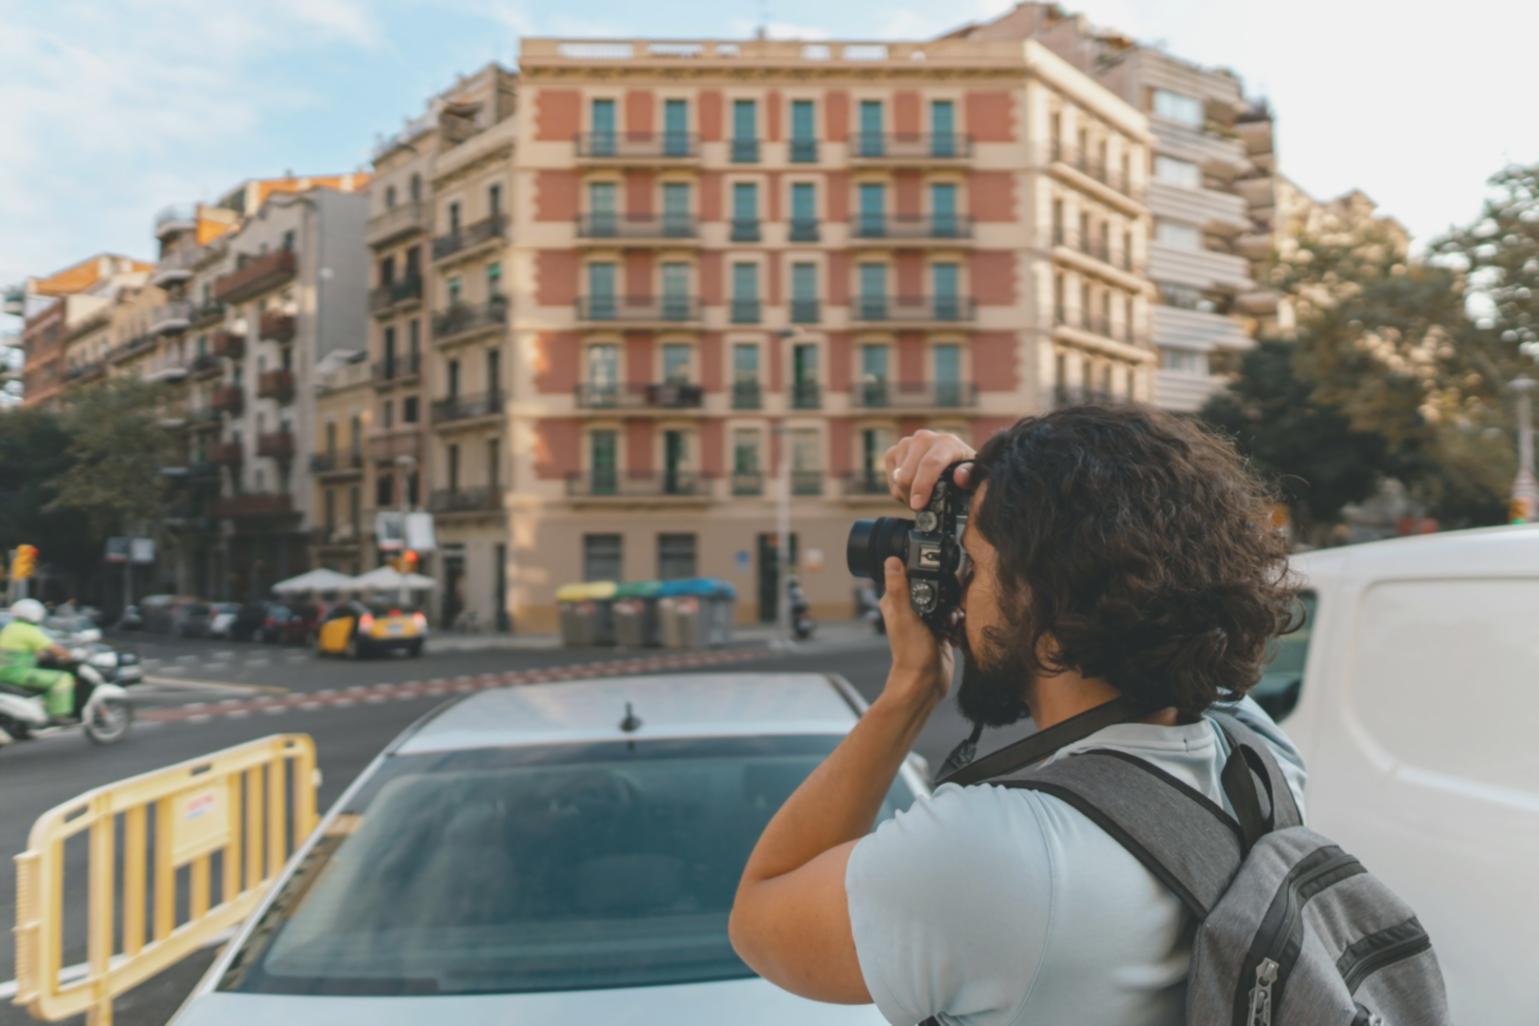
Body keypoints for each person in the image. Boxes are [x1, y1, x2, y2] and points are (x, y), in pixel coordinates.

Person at [729, 408, 1303, 1026]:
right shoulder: (1260, 760)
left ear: (1047, 610)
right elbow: (1169, 582)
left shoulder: (991, 857)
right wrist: (1003, 486)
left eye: (970, 566)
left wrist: (909, 692)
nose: (956, 589)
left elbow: (760, 916)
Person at [0, 598, 79, 722]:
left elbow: (28, 651)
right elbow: (55, 649)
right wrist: (70, 656)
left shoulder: (10, 628)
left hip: (4, 673)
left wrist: (41, 656)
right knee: (63, 678)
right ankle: (59, 715)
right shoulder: (29, 630)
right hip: (18, 673)